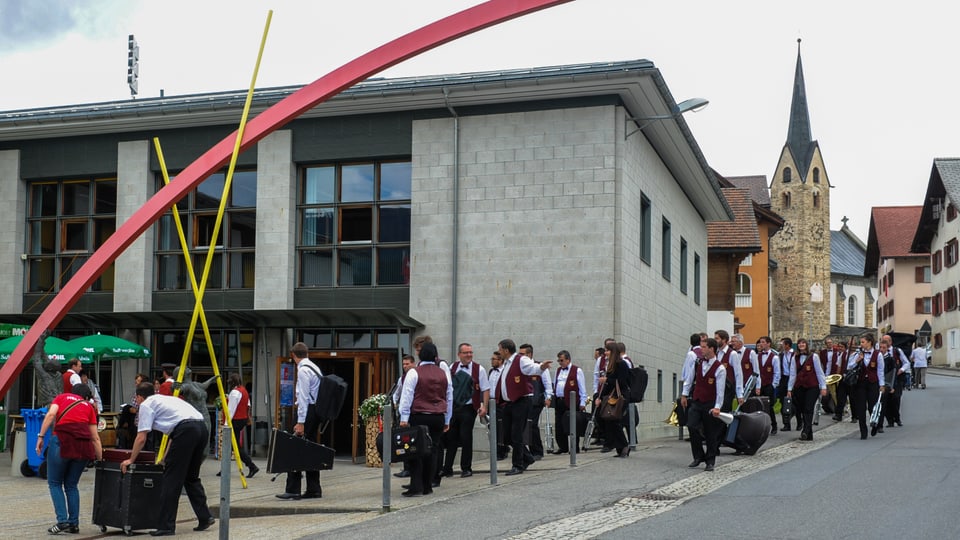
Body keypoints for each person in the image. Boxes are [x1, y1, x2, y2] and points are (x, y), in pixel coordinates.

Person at [121, 382, 215, 536]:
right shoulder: (165, 399)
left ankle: (166, 525)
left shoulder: (146, 405)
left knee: (171, 479)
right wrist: (165, 458)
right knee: (191, 477)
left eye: (136, 399)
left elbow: (141, 437)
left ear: (139, 397)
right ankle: (205, 517)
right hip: (201, 428)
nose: (136, 402)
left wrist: (131, 460)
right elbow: (174, 432)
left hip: (186, 431)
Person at [37, 384, 102, 535]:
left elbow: (51, 415)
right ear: (86, 397)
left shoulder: (61, 398)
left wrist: (40, 436)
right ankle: (74, 524)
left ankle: (62, 521)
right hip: (83, 448)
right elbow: (95, 438)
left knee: (54, 483)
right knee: (72, 485)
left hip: (62, 441)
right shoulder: (89, 407)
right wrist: (100, 459)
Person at [398, 342, 452, 497]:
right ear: (435, 356)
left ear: (420, 356)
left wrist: (404, 417)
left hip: (419, 415)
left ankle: (416, 486)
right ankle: (428, 485)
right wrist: (447, 419)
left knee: (414, 451)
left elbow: (407, 396)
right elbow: (449, 396)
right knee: (432, 450)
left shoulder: (415, 373)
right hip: (438, 417)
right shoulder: (443, 373)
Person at [276, 342, 323, 500]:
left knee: (294, 447)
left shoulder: (303, 370)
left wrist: (301, 421)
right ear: (307, 353)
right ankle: (314, 488)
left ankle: (293, 489)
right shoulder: (314, 368)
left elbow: (303, 397)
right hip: (315, 411)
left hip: (306, 412)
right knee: (311, 449)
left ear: (293, 355)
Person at [498, 339, 552, 475]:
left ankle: (518, 465)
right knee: (507, 435)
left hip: (521, 401)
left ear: (505, 350)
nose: (499, 352)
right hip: (510, 403)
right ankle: (527, 457)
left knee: (516, 434)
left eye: (500, 349)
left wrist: (541, 367)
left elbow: (532, 368)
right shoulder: (507, 363)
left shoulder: (520, 360)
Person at [442, 343, 489, 478]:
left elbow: (485, 389)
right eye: (466, 353)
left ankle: (466, 468)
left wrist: (484, 406)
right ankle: (447, 468)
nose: (469, 355)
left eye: (470, 352)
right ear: (459, 355)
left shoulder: (479, 369)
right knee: (451, 438)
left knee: (466, 437)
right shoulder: (453, 367)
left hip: (469, 408)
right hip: (454, 407)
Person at [681, 338, 725, 472]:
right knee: (691, 426)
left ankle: (710, 460)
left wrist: (717, 406)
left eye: (704, 347)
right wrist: (684, 394)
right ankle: (698, 455)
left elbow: (720, 390)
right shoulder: (698, 362)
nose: (701, 350)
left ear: (711, 349)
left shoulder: (720, 368)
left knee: (710, 432)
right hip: (697, 400)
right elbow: (690, 378)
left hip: (710, 403)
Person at [786, 338, 827, 441]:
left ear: (807, 345)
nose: (801, 345)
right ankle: (809, 434)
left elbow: (819, 372)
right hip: (799, 387)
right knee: (803, 409)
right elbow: (792, 374)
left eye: (803, 343)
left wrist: (823, 387)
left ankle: (805, 430)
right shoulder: (794, 357)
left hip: (812, 386)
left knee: (809, 408)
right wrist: (789, 389)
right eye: (799, 343)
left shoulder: (814, 357)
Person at [594, 341, 631, 458]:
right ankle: (620, 448)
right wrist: (599, 397)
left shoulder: (622, 364)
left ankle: (624, 445)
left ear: (613, 352)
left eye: (607, 350)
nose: (605, 353)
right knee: (610, 421)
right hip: (611, 396)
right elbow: (608, 386)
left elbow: (622, 382)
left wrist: (607, 380)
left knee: (615, 421)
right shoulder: (611, 366)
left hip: (621, 396)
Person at [847, 333, 885, 440]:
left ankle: (874, 424)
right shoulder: (858, 353)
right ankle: (863, 431)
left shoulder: (878, 355)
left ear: (869, 342)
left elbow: (880, 371)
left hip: (873, 383)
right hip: (860, 383)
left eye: (863, 342)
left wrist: (881, 384)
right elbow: (849, 366)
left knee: (872, 407)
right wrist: (857, 360)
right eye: (861, 342)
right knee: (861, 407)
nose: (861, 344)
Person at [519, 343, 553, 460]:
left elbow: (548, 384)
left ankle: (537, 451)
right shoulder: (520, 367)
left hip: (536, 401)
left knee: (532, 425)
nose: (520, 356)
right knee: (524, 426)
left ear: (529, 354)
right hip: (524, 401)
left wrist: (548, 397)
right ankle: (527, 451)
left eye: (522, 354)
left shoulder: (539, 366)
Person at [552, 350, 587, 454]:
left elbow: (582, 388)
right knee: (559, 425)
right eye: (558, 360)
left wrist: (582, 402)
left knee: (573, 424)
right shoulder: (558, 370)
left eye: (562, 360)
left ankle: (574, 447)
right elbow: (555, 383)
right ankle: (563, 447)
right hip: (559, 401)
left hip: (572, 401)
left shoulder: (577, 370)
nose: (560, 362)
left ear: (568, 360)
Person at [226, 373, 259, 478]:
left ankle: (252, 466)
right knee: (231, 445)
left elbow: (231, 409)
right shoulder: (243, 390)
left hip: (235, 421)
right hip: (242, 419)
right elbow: (248, 404)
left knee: (234, 446)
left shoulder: (234, 392)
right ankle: (223, 469)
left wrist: (227, 424)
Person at [392, 354, 416, 478]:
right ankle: (407, 467)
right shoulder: (402, 378)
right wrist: (394, 404)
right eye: (404, 364)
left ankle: (413, 468)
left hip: (415, 413)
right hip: (405, 415)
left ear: (413, 364)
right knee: (404, 442)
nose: (405, 366)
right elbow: (396, 393)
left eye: (407, 364)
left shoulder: (416, 375)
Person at [755, 336, 780, 434]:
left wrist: (773, 385)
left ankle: (774, 425)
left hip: (768, 385)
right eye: (760, 342)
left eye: (763, 342)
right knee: (759, 406)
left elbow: (777, 372)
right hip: (760, 385)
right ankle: (761, 426)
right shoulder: (758, 356)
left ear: (768, 344)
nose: (761, 344)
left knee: (769, 406)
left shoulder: (774, 357)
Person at [487, 351, 509, 460]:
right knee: (492, 427)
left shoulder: (505, 371)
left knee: (501, 428)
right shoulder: (491, 371)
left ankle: (502, 450)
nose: (492, 361)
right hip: (490, 403)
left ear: (500, 360)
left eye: (493, 359)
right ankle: (496, 450)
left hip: (501, 403)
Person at [777, 338, 795, 431]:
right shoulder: (780, 355)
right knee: (783, 401)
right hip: (783, 378)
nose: (781, 345)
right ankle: (786, 424)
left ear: (787, 345)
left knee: (794, 401)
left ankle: (799, 421)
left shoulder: (794, 354)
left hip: (793, 378)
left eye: (782, 344)